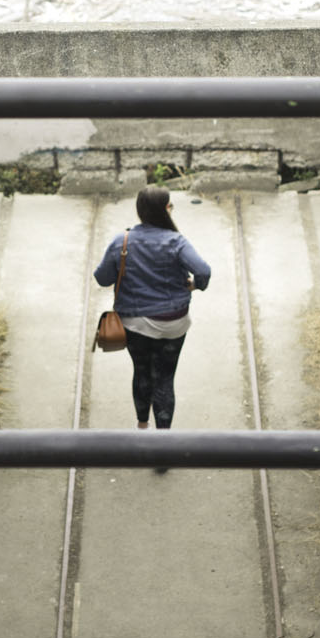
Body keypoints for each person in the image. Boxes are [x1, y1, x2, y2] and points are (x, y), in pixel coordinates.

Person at [93, 186, 212, 448]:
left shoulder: (121, 241)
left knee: (142, 371)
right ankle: (164, 445)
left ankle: (143, 428)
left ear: (140, 211)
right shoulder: (177, 241)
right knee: (165, 379)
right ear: (166, 209)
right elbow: (203, 270)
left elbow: (102, 278)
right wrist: (194, 285)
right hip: (173, 323)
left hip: (135, 323)